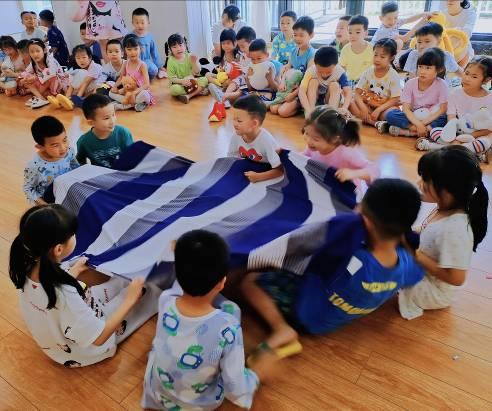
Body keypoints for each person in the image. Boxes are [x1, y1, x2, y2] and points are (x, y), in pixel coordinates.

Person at [241, 178, 424, 346]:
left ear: (366, 221)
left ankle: (281, 328)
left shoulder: (350, 256)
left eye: (361, 206)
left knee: (249, 281)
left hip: (306, 314)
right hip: (334, 319)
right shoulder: (406, 265)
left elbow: (305, 254)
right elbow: (416, 275)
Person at [9, 204, 159, 367]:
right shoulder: (65, 295)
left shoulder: (26, 265)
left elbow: (51, 292)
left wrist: (74, 271)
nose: (75, 236)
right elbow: (99, 338)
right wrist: (130, 300)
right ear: (58, 249)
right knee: (146, 291)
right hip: (86, 351)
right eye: (72, 234)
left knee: (119, 283)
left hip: (58, 339)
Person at [142, 230, 275, 410]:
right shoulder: (229, 329)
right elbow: (235, 389)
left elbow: (180, 283)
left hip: (157, 394)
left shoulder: (166, 300)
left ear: (176, 272)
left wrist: (180, 253)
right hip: (197, 405)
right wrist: (257, 375)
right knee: (232, 312)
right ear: (222, 283)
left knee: (231, 309)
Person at [399, 146, 488, 320]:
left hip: (433, 290)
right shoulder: (444, 208)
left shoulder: (455, 229)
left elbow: (457, 278)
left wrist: (416, 255)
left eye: (425, 181)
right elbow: (427, 230)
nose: (419, 183)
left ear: (447, 193)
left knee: (388, 269)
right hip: (424, 268)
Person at [418, 56, 492, 160]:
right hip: (458, 131)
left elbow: (488, 129)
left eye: (474, 77)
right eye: (466, 73)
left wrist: (466, 137)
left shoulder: (489, 98)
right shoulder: (454, 94)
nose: (467, 78)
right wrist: (456, 137)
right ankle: (472, 152)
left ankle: (435, 147)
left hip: (478, 135)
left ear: (486, 80)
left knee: (485, 141)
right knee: (435, 132)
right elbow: (451, 121)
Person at [302, 106, 379, 191]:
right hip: (323, 188)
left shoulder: (347, 153)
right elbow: (301, 159)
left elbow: (373, 170)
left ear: (334, 139)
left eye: (315, 139)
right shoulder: (312, 147)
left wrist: (353, 173)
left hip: (346, 193)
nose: (308, 141)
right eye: (306, 133)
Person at [383, 48, 448, 137]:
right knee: (391, 115)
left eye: (428, 68)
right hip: (413, 116)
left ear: (439, 69)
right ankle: (420, 130)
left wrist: (422, 124)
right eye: (420, 66)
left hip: (431, 117)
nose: (422, 71)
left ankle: (409, 132)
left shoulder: (442, 85)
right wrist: (417, 124)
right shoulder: (410, 83)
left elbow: (442, 109)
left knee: (445, 117)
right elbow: (406, 109)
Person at [23, 116, 79, 205]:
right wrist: (46, 206)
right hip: (49, 201)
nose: (63, 148)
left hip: (67, 193)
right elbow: (28, 189)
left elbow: (76, 169)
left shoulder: (69, 152)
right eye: (55, 145)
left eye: (64, 140)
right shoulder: (34, 166)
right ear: (40, 147)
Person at [228, 95, 284, 183]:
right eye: (233, 119)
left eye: (239, 121)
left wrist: (259, 177)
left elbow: (280, 170)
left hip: (266, 169)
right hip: (250, 166)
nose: (234, 124)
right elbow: (231, 158)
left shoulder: (267, 141)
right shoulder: (237, 135)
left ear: (254, 124)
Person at [351, 38, 402, 130]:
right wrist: (363, 108)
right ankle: (375, 123)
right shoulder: (368, 72)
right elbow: (357, 93)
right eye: (375, 55)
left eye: (382, 57)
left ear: (391, 57)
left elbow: (395, 99)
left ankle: (371, 120)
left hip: (383, 109)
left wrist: (379, 110)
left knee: (391, 113)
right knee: (351, 103)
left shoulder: (393, 75)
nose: (377, 59)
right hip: (369, 106)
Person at [271, 16, 316, 118]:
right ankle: (289, 103)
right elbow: (287, 68)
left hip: (302, 90)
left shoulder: (312, 55)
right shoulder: (294, 51)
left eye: (301, 35)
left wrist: (293, 94)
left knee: (283, 112)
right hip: (290, 87)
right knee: (273, 109)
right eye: (295, 35)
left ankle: (300, 106)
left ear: (311, 35)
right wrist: (282, 82)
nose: (297, 38)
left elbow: (308, 81)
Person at [77, 94, 134, 168]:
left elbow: (132, 157)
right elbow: (80, 163)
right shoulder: (84, 142)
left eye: (113, 115)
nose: (112, 121)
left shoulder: (123, 133)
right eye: (106, 118)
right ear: (91, 123)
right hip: (100, 174)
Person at [298, 46, 351, 119]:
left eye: (328, 72)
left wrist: (344, 108)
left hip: (330, 102)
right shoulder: (311, 71)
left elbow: (348, 92)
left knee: (334, 85)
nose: (324, 74)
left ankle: (331, 115)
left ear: (336, 65)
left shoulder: (340, 72)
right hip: (315, 102)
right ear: (315, 64)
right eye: (320, 71)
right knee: (313, 81)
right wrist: (307, 109)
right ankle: (311, 113)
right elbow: (301, 91)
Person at [211, 26, 256, 108]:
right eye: (223, 43)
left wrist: (242, 69)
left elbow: (253, 70)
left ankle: (225, 97)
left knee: (239, 91)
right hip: (241, 78)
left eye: (243, 46)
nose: (241, 49)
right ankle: (224, 96)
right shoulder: (243, 55)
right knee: (233, 84)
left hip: (249, 81)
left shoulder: (253, 56)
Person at [109, 35, 153, 112]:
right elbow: (121, 78)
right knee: (110, 93)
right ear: (125, 51)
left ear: (140, 49)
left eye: (136, 49)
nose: (133, 52)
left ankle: (121, 106)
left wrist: (134, 93)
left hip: (139, 92)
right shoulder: (125, 63)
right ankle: (133, 104)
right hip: (128, 91)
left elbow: (146, 84)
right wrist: (115, 87)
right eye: (129, 49)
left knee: (145, 95)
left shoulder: (142, 65)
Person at [20, 38, 69, 109]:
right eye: (32, 52)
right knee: (26, 80)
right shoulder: (33, 63)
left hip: (57, 84)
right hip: (45, 85)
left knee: (52, 77)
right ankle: (42, 99)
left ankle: (44, 96)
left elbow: (51, 74)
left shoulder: (50, 60)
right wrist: (24, 79)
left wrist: (35, 77)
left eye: (38, 51)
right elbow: (26, 72)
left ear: (44, 50)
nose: (35, 54)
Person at [165, 33, 208, 104]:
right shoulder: (171, 61)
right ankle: (198, 91)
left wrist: (194, 62)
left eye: (180, 45)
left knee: (204, 79)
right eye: (174, 47)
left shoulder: (190, 56)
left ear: (185, 45)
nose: (178, 49)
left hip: (192, 82)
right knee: (174, 90)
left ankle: (188, 96)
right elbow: (172, 78)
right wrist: (182, 81)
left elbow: (197, 72)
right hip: (180, 84)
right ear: (170, 49)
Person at [439, 0, 477, 66]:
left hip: (462, 49)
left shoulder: (470, 13)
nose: (450, 0)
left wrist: (448, 32)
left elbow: (467, 33)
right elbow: (436, 34)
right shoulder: (441, 14)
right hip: (444, 49)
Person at [339, 15, 373, 84]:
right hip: (350, 82)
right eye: (350, 32)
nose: (353, 35)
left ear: (366, 33)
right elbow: (342, 68)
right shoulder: (345, 50)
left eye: (357, 32)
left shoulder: (372, 49)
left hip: (367, 82)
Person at [131, 7, 163, 80]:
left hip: (146, 62)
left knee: (154, 70)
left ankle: (145, 79)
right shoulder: (130, 36)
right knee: (132, 75)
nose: (140, 25)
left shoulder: (150, 37)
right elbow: (124, 50)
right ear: (132, 23)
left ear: (148, 22)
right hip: (133, 62)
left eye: (142, 22)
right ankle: (138, 78)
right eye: (137, 23)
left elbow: (154, 53)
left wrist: (160, 67)